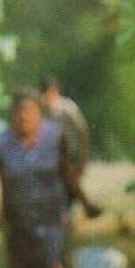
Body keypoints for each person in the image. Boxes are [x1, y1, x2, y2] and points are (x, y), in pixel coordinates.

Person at [0, 89, 79, 268]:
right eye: (18, 111)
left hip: (52, 210)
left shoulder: (55, 136)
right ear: (10, 115)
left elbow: (67, 171)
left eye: (29, 111)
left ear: (39, 114)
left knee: (54, 259)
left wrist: (82, 200)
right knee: (23, 264)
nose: (23, 116)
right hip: (17, 214)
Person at [39, 74, 103, 220]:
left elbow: (82, 132)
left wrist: (83, 157)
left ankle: (85, 207)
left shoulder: (67, 107)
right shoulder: (42, 112)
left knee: (69, 181)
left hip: (71, 155)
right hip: (52, 156)